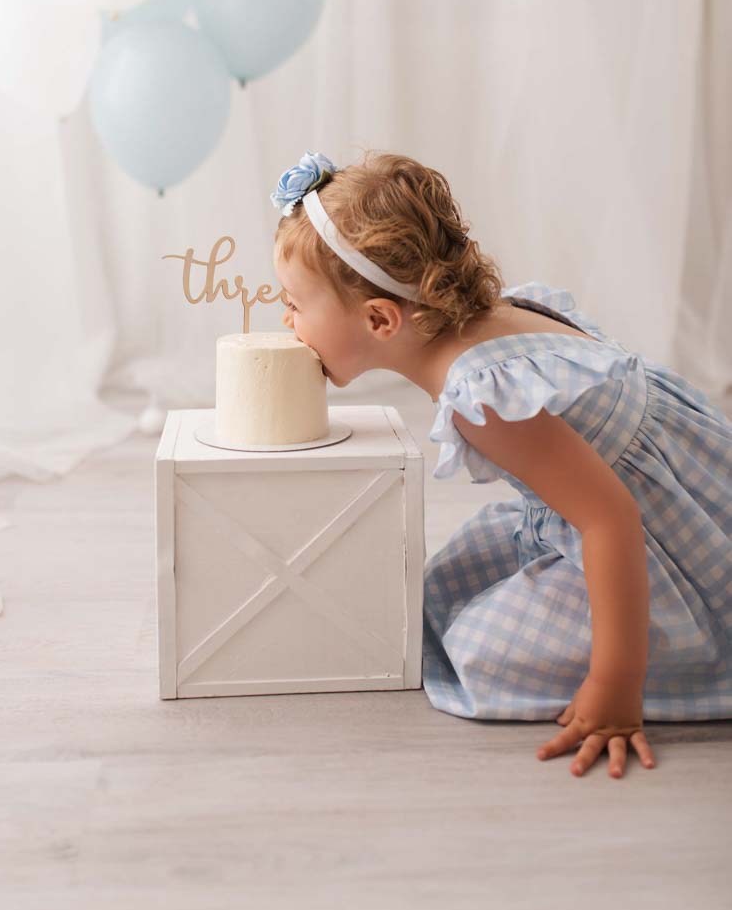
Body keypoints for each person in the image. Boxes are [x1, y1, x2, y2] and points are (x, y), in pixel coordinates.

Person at [270, 149, 732, 780]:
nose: (286, 319)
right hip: (680, 486)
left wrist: (616, 686)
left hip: (663, 540)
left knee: (479, 653)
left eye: (295, 303)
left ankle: (672, 654)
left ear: (379, 319)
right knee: (446, 583)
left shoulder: (480, 394)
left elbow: (612, 521)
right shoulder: (491, 318)